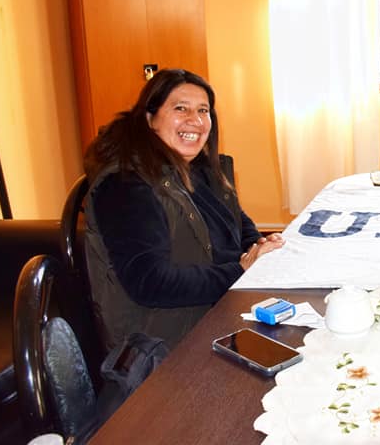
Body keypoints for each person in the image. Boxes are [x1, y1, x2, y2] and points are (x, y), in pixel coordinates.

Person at [84, 69, 285, 349]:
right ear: (149, 118)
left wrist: (262, 247)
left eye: (203, 110)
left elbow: (238, 225)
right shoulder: (126, 184)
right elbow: (150, 282)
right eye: (181, 108)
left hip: (218, 313)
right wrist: (240, 269)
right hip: (165, 346)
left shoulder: (199, 169)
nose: (196, 120)